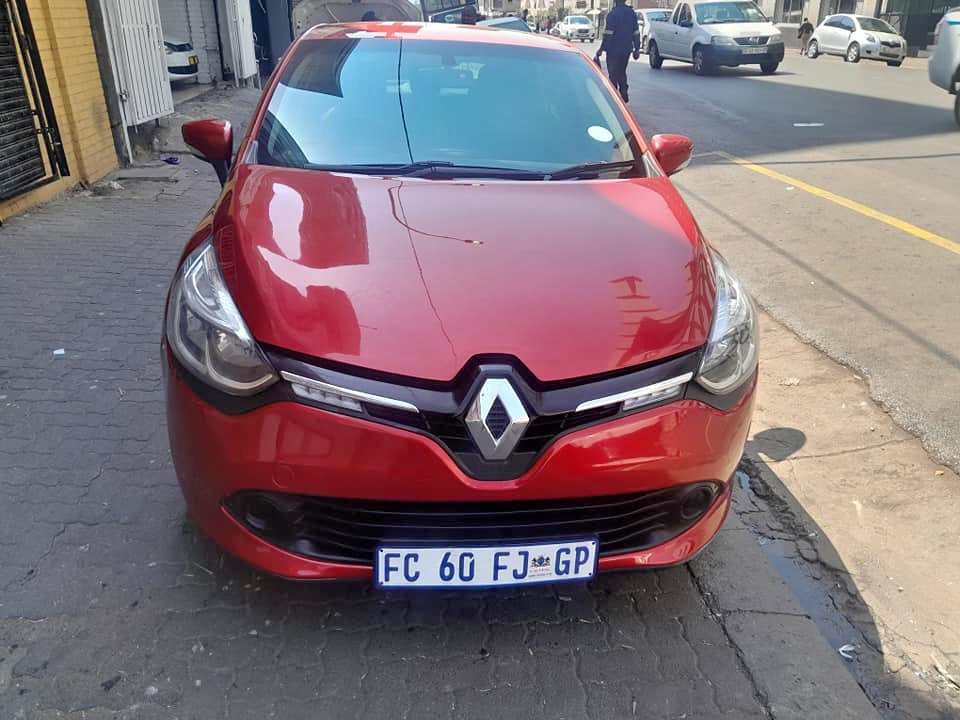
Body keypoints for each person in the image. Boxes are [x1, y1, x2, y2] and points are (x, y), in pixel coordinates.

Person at [595, 0, 641, 102]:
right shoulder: (631, 13)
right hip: (626, 49)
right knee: (622, 71)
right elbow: (636, 32)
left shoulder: (612, 14)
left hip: (613, 49)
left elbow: (608, 34)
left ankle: (614, 98)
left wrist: (601, 49)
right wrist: (637, 48)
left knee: (613, 74)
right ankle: (623, 91)